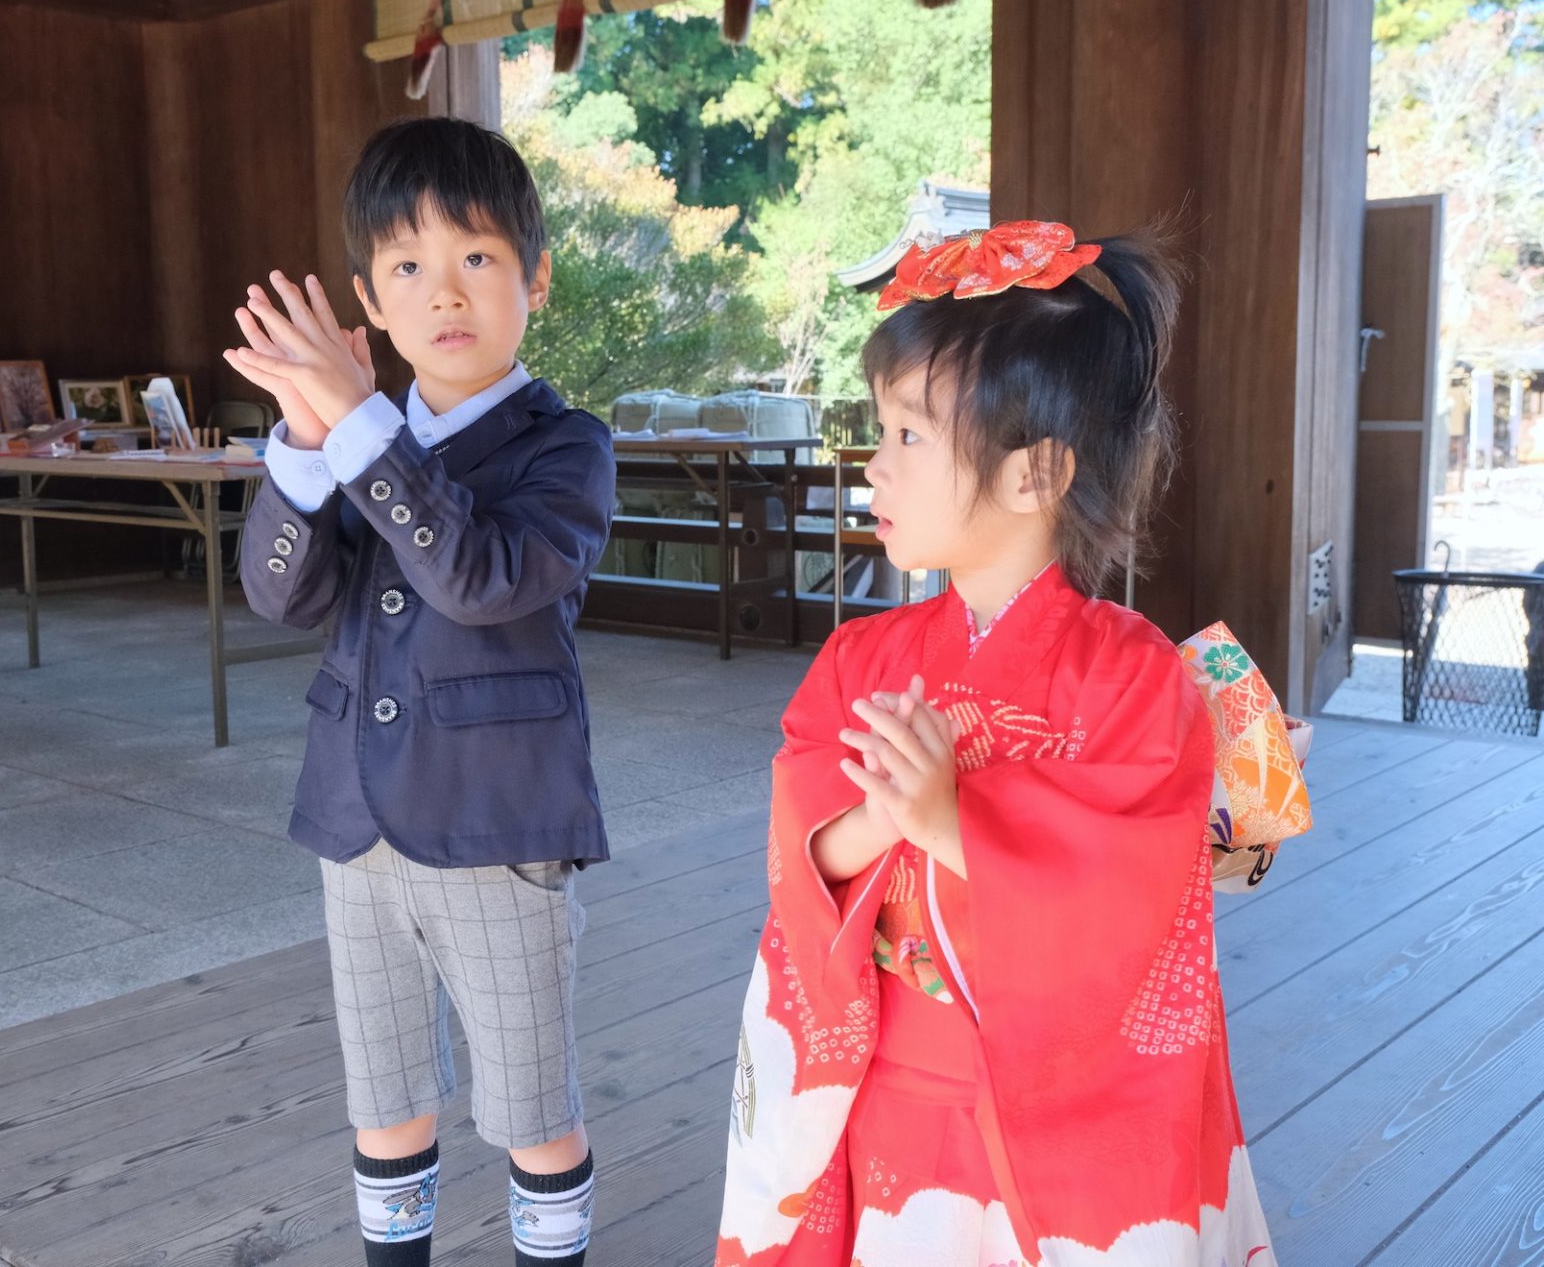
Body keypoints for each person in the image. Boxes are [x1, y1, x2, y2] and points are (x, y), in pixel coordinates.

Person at [715, 221, 1279, 1267]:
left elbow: (1141, 892)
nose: (873, 466)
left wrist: (949, 820)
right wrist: (885, 816)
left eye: (909, 437)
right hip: (893, 1093)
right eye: (879, 432)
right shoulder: (858, 658)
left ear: (1035, 475)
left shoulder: (1136, 673)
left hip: (1059, 1099)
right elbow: (805, 858)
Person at [225, 117, 616, 1267]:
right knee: (385, 1094)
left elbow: (482, 578)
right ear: (370, 302)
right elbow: (279, 597)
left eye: (477, 260)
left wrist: (357, 427)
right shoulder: (353, 445)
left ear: (535, 280)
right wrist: (307, 441)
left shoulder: (567, 446)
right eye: (408, 268)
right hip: (356, 823)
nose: (444, 295)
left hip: (498, 823)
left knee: (529, 1106)